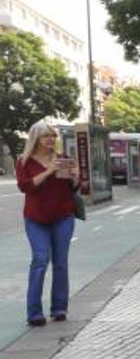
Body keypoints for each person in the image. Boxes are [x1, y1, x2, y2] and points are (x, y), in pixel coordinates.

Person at [16, 122, 78, 326]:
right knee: (40, 260)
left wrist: (76, 177)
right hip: (36, 218)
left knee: (60, 263)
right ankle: (34, 312)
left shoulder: (63, 159)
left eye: (52, 136)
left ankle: (59, 308)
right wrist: (49, 171)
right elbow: (25, 187)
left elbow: (73, 187)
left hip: (63, 216)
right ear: (35, 139)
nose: (50, 139)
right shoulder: (24, 161)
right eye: (45, 136)